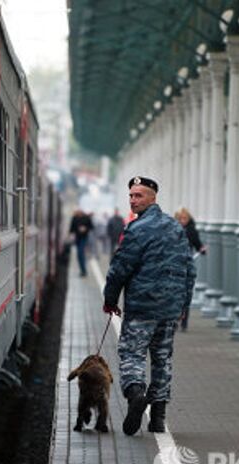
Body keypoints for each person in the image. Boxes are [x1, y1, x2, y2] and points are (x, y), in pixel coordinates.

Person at [103, 176, 196, 435]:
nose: (133, 200)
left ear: (153, 198)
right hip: (169, 309)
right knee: (162, 359)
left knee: (132, 354)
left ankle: (136, 395)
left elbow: (120, 268)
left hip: (142, 307)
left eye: (139, 195)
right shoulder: (176, 228)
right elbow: (190, 269)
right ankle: (157, 417)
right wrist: (183, 305)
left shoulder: (137, 229)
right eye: (131, 195)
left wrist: (110, 300)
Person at [174, 208, 204, 331]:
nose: (182, 221)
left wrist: (202, 249)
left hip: (187, 264)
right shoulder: (173, 230)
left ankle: (184, 322)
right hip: (174, 264)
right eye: (180, 218)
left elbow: (197, 243)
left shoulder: (192, 230)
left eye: (185, 218)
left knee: (186, 293)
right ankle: (174, 320)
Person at [69, 209, 94, 277]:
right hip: (77, 238)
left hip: (84, 238)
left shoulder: (86, 218)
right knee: (79, 255)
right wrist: (71, 234)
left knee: (81, 253)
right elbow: (71, 228)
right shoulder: (74, 218)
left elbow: (91, 227)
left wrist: (85, 228)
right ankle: (82, 270)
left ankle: (84, 271)